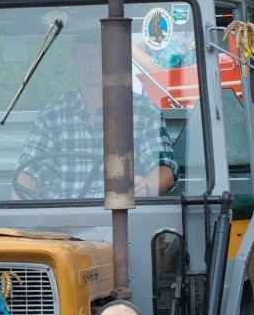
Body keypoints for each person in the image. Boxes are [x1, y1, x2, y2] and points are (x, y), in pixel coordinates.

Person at [14, 29, 178, 199]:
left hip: (125, 220)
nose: (93, 62)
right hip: (62, 223)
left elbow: (165, 170)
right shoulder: (51, 116)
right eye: (86, 54)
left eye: (101, 54)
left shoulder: (145, 113)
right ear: (74, 59)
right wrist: (21, 214)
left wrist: (146, 186)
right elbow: (26, 174)